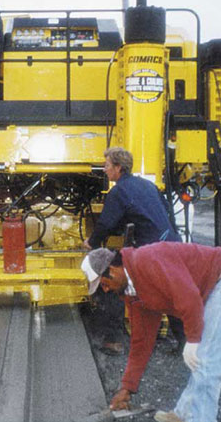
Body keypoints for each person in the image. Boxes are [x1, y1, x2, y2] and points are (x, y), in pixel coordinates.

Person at [81, 243, 221, 422]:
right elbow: (142, 342)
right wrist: (127, 387)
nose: (106, 290)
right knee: (201, 361)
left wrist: (193, 340)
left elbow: (188, 295)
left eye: (103, 284)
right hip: (207, 290)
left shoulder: (147, 260)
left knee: (207, 362)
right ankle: (183, 415)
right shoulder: (134, 295)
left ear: (112, 270)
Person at [83, 147, 182, 354]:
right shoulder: (148, 185)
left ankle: (113, 341)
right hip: (172, 245)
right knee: (169, 291)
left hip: (151, 250)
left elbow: (106, 224)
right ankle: (185, 344)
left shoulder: (118, 191)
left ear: (118, 168)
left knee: (110, 279)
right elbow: (163, 212)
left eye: (107, 165)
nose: (105, 170)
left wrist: (92, 242)